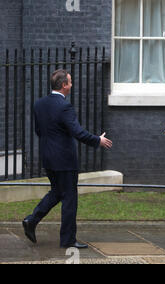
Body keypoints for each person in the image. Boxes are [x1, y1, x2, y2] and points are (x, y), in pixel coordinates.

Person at [22, 69, 112, 248]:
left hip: (48, 157)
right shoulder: (65, 106)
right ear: (64, 85)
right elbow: (77, 132)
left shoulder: (39, 104)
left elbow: (39, 131)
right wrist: (98, 140)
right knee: (69, 198)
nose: (71, 85)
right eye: (70, 82)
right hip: (64, 161)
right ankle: (68, 240)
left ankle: (31, 220)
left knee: (56, 192)